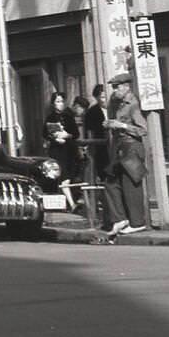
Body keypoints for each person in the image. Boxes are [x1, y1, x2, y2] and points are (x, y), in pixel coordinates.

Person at [104, 71, 148, 235]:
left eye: (117, 87)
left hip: (132, 147)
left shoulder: (133, 104)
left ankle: (137, 222)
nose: (114, 91)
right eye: (114, 88)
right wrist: (110, 124)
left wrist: (121, 126)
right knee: (111, 182)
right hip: (120, 147)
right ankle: (120, 218)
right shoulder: (117, 103)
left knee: (131, 185)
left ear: (126, 87)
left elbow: (143, 130)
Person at [43, 92, 80, 212]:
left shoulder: (69, 116)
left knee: (69, 175)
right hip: (57, 150)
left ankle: (68, 202)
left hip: (69, 150)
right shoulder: (50, 117)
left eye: (62, 101)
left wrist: (67, 135)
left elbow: (76, 133)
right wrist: (54, 137)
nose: (60, 104)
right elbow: (44, 133)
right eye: (57, 101)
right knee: (64, 176)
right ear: (53, 104)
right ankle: (72, 204)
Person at [82, 84, 111, 228]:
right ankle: (105, 209)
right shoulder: (92, 112)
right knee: (104, 177)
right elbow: (89, 132)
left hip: (115, 149)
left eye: (106, 96)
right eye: (102, 97)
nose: (105, 100)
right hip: (101, 149)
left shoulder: (115, 108)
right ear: (97, 98)